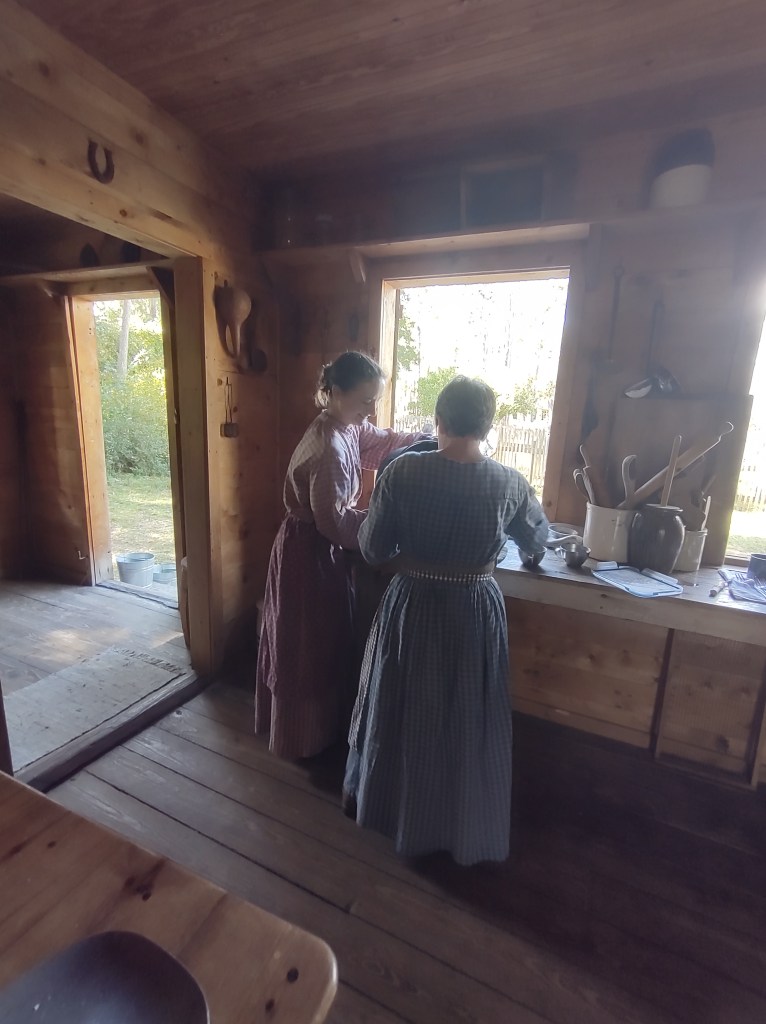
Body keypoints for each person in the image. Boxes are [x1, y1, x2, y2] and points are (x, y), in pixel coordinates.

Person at [343, 376, 549, 865]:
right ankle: (458, 826)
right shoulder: (510, 482)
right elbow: (537, 542)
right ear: (487, 426)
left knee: (401, 710)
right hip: (475, 610)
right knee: (465, 717)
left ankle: (393, 811)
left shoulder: (404, 473)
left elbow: (373, 548)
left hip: (412, 604)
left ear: (439, 421)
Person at [255, 351, 431, 760]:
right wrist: (380, 529)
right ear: (334, 392)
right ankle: (299, 739)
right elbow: (332, 523)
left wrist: (420, 441)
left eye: (375, 400)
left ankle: (320, 732)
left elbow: (377, 439)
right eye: (365, 399)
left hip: (320, 548)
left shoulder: (344, 426)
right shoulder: (329, 445)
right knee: (305, 643)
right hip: (307, 551)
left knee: (322, 639)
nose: (371, 409)